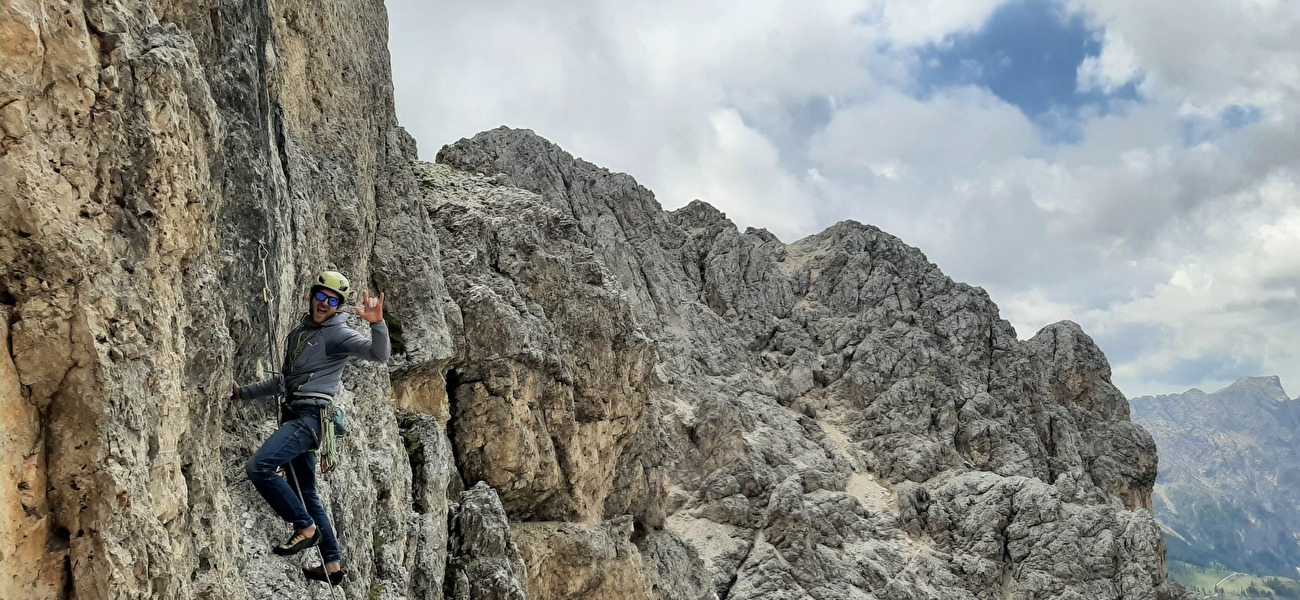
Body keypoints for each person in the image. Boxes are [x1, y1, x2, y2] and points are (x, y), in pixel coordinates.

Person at [232, 271, 388, 585]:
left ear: (339, 307)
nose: (324, 303)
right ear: (312, 295)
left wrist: (377, 324)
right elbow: (285, 382)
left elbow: (378, 354)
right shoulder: (299, 333)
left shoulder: (338, 334)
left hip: (311, 418)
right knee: (306, 492)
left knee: (260, 467)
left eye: (333, 301)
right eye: (321, 296)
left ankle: (305, 528)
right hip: (297, 415)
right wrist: (243, 393)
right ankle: (332, 565)